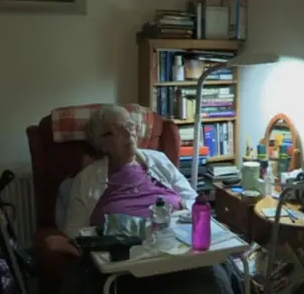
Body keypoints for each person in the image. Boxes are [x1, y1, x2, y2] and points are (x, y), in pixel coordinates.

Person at [60, 105, 237, 294]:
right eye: (114, 131)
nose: (128, 132)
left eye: (130, 125)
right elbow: (74, 231)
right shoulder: (86, 179)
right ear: (101, 144)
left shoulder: (158, 160)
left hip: (180, 251)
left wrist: (196, 223)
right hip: (131, 264)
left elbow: (192, 199)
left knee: (217, 276)